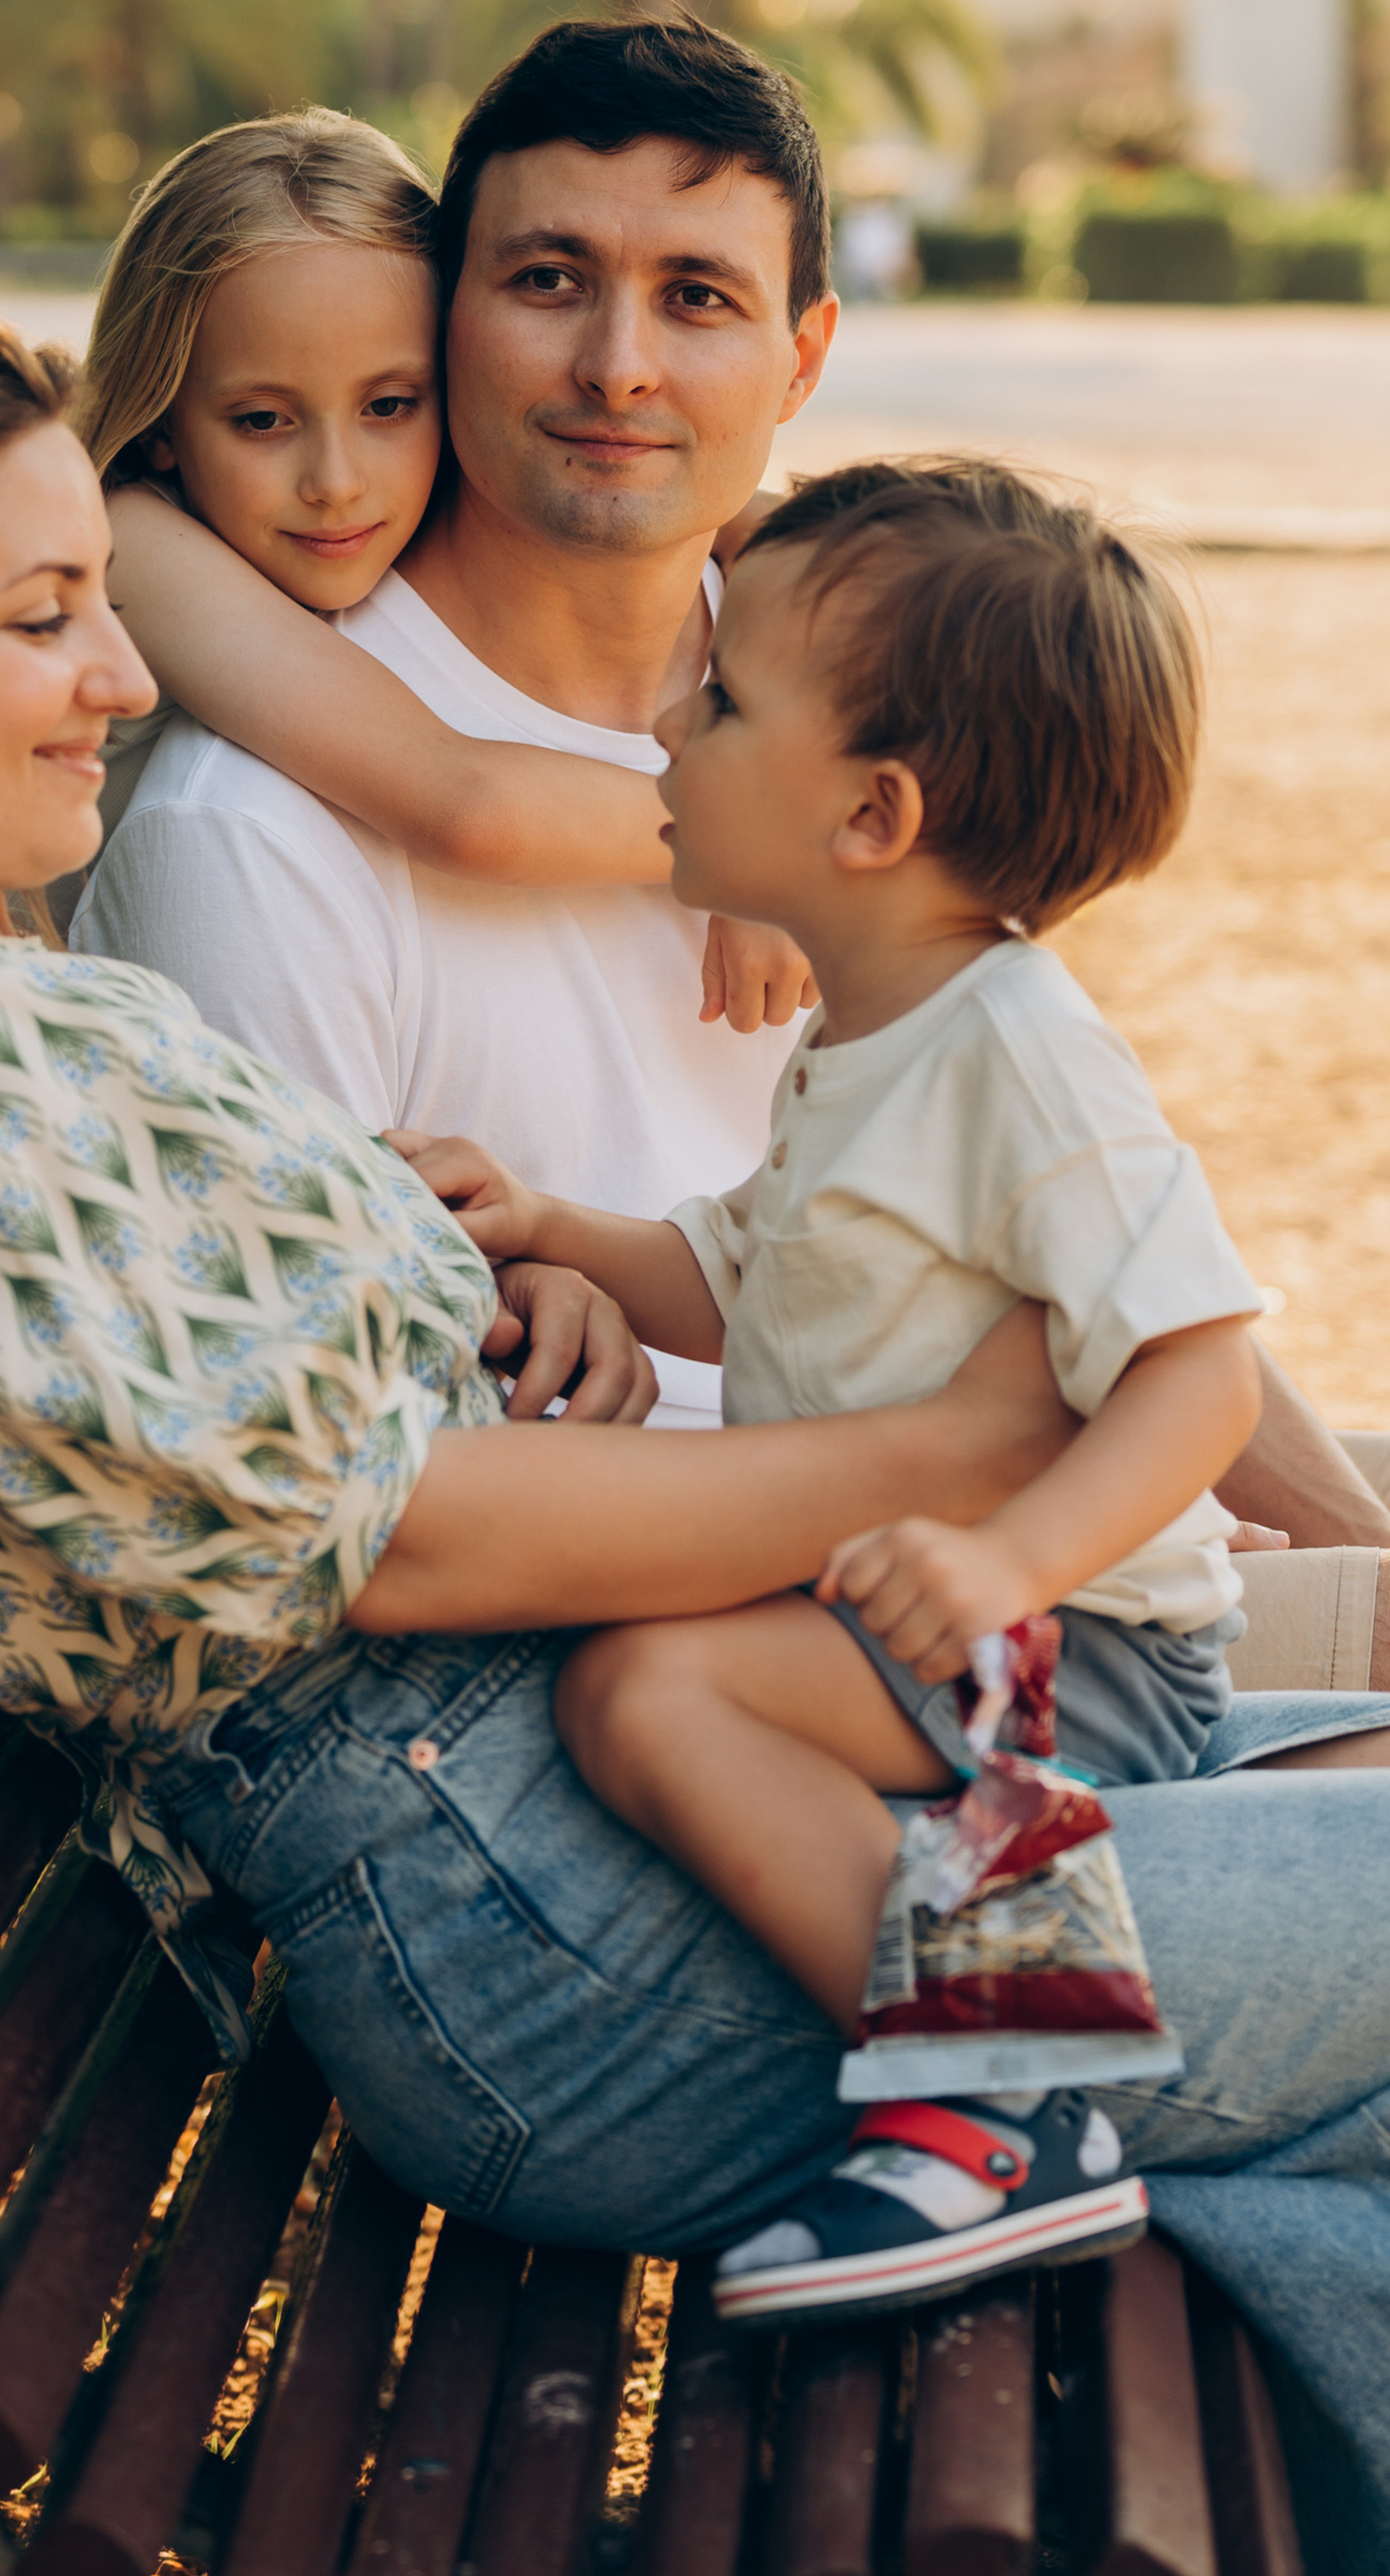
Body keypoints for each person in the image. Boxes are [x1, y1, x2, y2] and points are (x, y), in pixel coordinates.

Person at [0, 296, 1390, 2568]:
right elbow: (397, 1540)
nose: (130, 674)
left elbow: (294, 1431)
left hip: (594, 1853)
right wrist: (946, 1447)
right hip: (575, 1934)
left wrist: (524, 1268)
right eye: (46, 617)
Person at [392, 455, 1285, 2313]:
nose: (666, 719)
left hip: (1076, 1644)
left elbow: (1195, 1369)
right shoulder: (865, 1029)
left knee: (649, 1680)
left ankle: (1007, 2102)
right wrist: (548, 1216)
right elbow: (735, 1274)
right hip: (955, 1618)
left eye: (718, 700)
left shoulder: (1017, 1051)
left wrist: (1009, 1556)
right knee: (656, 1670)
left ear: (869, 813)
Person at [83, 18, 845, 1426]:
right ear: (453, 318)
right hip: (702, 1580)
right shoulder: (247, 803)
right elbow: (340, 1464)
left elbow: (1077, 1209)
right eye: (550, 281)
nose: (618, 368)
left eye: (698, 297)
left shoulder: (860, 706)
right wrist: (769, 834)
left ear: (802, 361)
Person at [70, 102, 809, 1037]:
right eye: (261, 420)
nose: (336, 486)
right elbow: (463, 802)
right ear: (165, 424)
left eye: (389, 404)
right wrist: (761, 840)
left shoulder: (436, 473)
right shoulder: (123, 539)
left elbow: (721, 506)